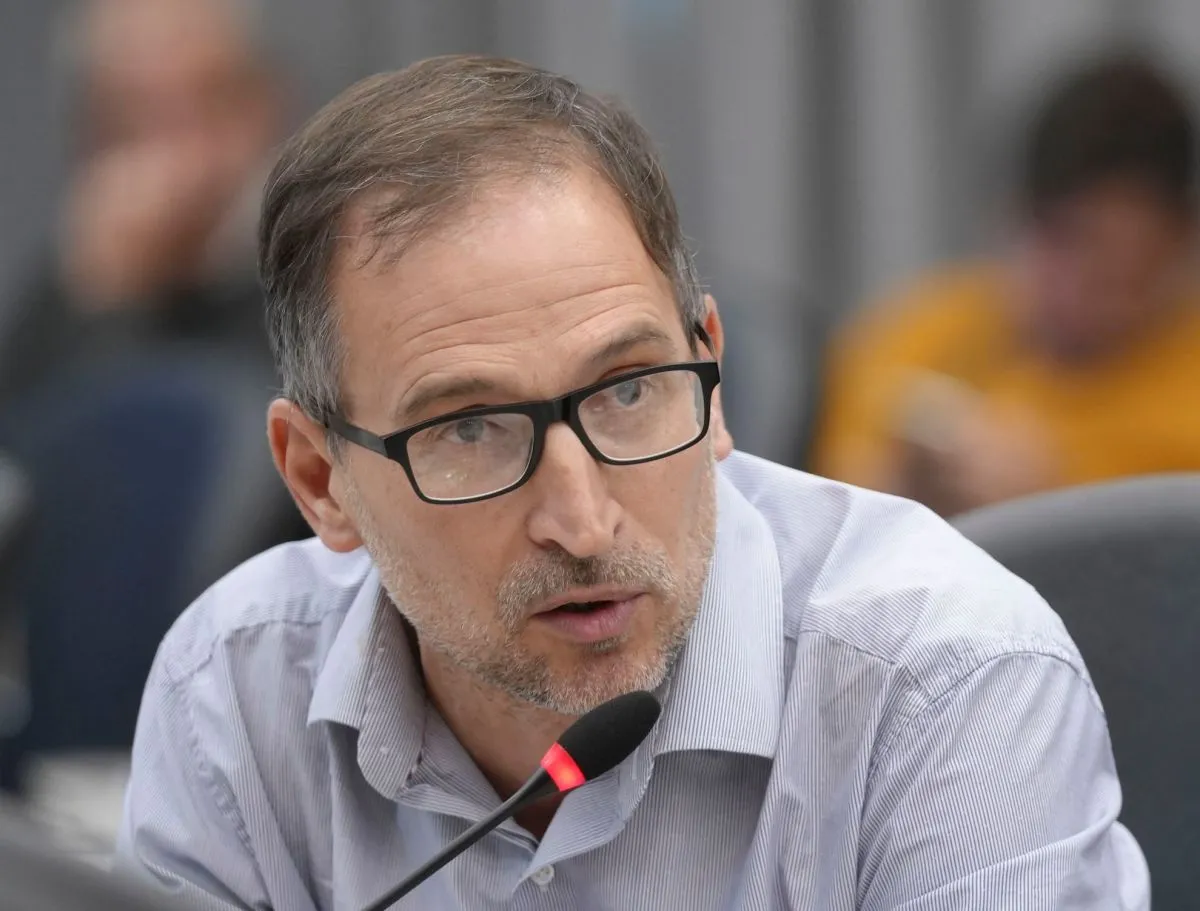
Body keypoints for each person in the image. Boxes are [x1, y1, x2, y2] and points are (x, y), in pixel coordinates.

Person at [118, 56, 1148, 909]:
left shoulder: (943, 686)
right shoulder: (234, 689)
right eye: (470, 428)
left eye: (627, 391)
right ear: (320, 479)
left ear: (711, 371)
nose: (582, 519)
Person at [810, 55, 1200, 517]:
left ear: (1179, 242)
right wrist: (906, 489)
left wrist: (1052, 507)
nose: (1069, 290)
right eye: (1054, 241)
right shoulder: (912, 334)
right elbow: (814, 521)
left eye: (1110, 274)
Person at [0, 0, 283, 403]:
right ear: (88, 140)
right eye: (136, 118)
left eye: (212, 102)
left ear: (267, 105)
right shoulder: (67, 296)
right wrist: (106, 303)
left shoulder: (313, 268)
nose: (185, 155)